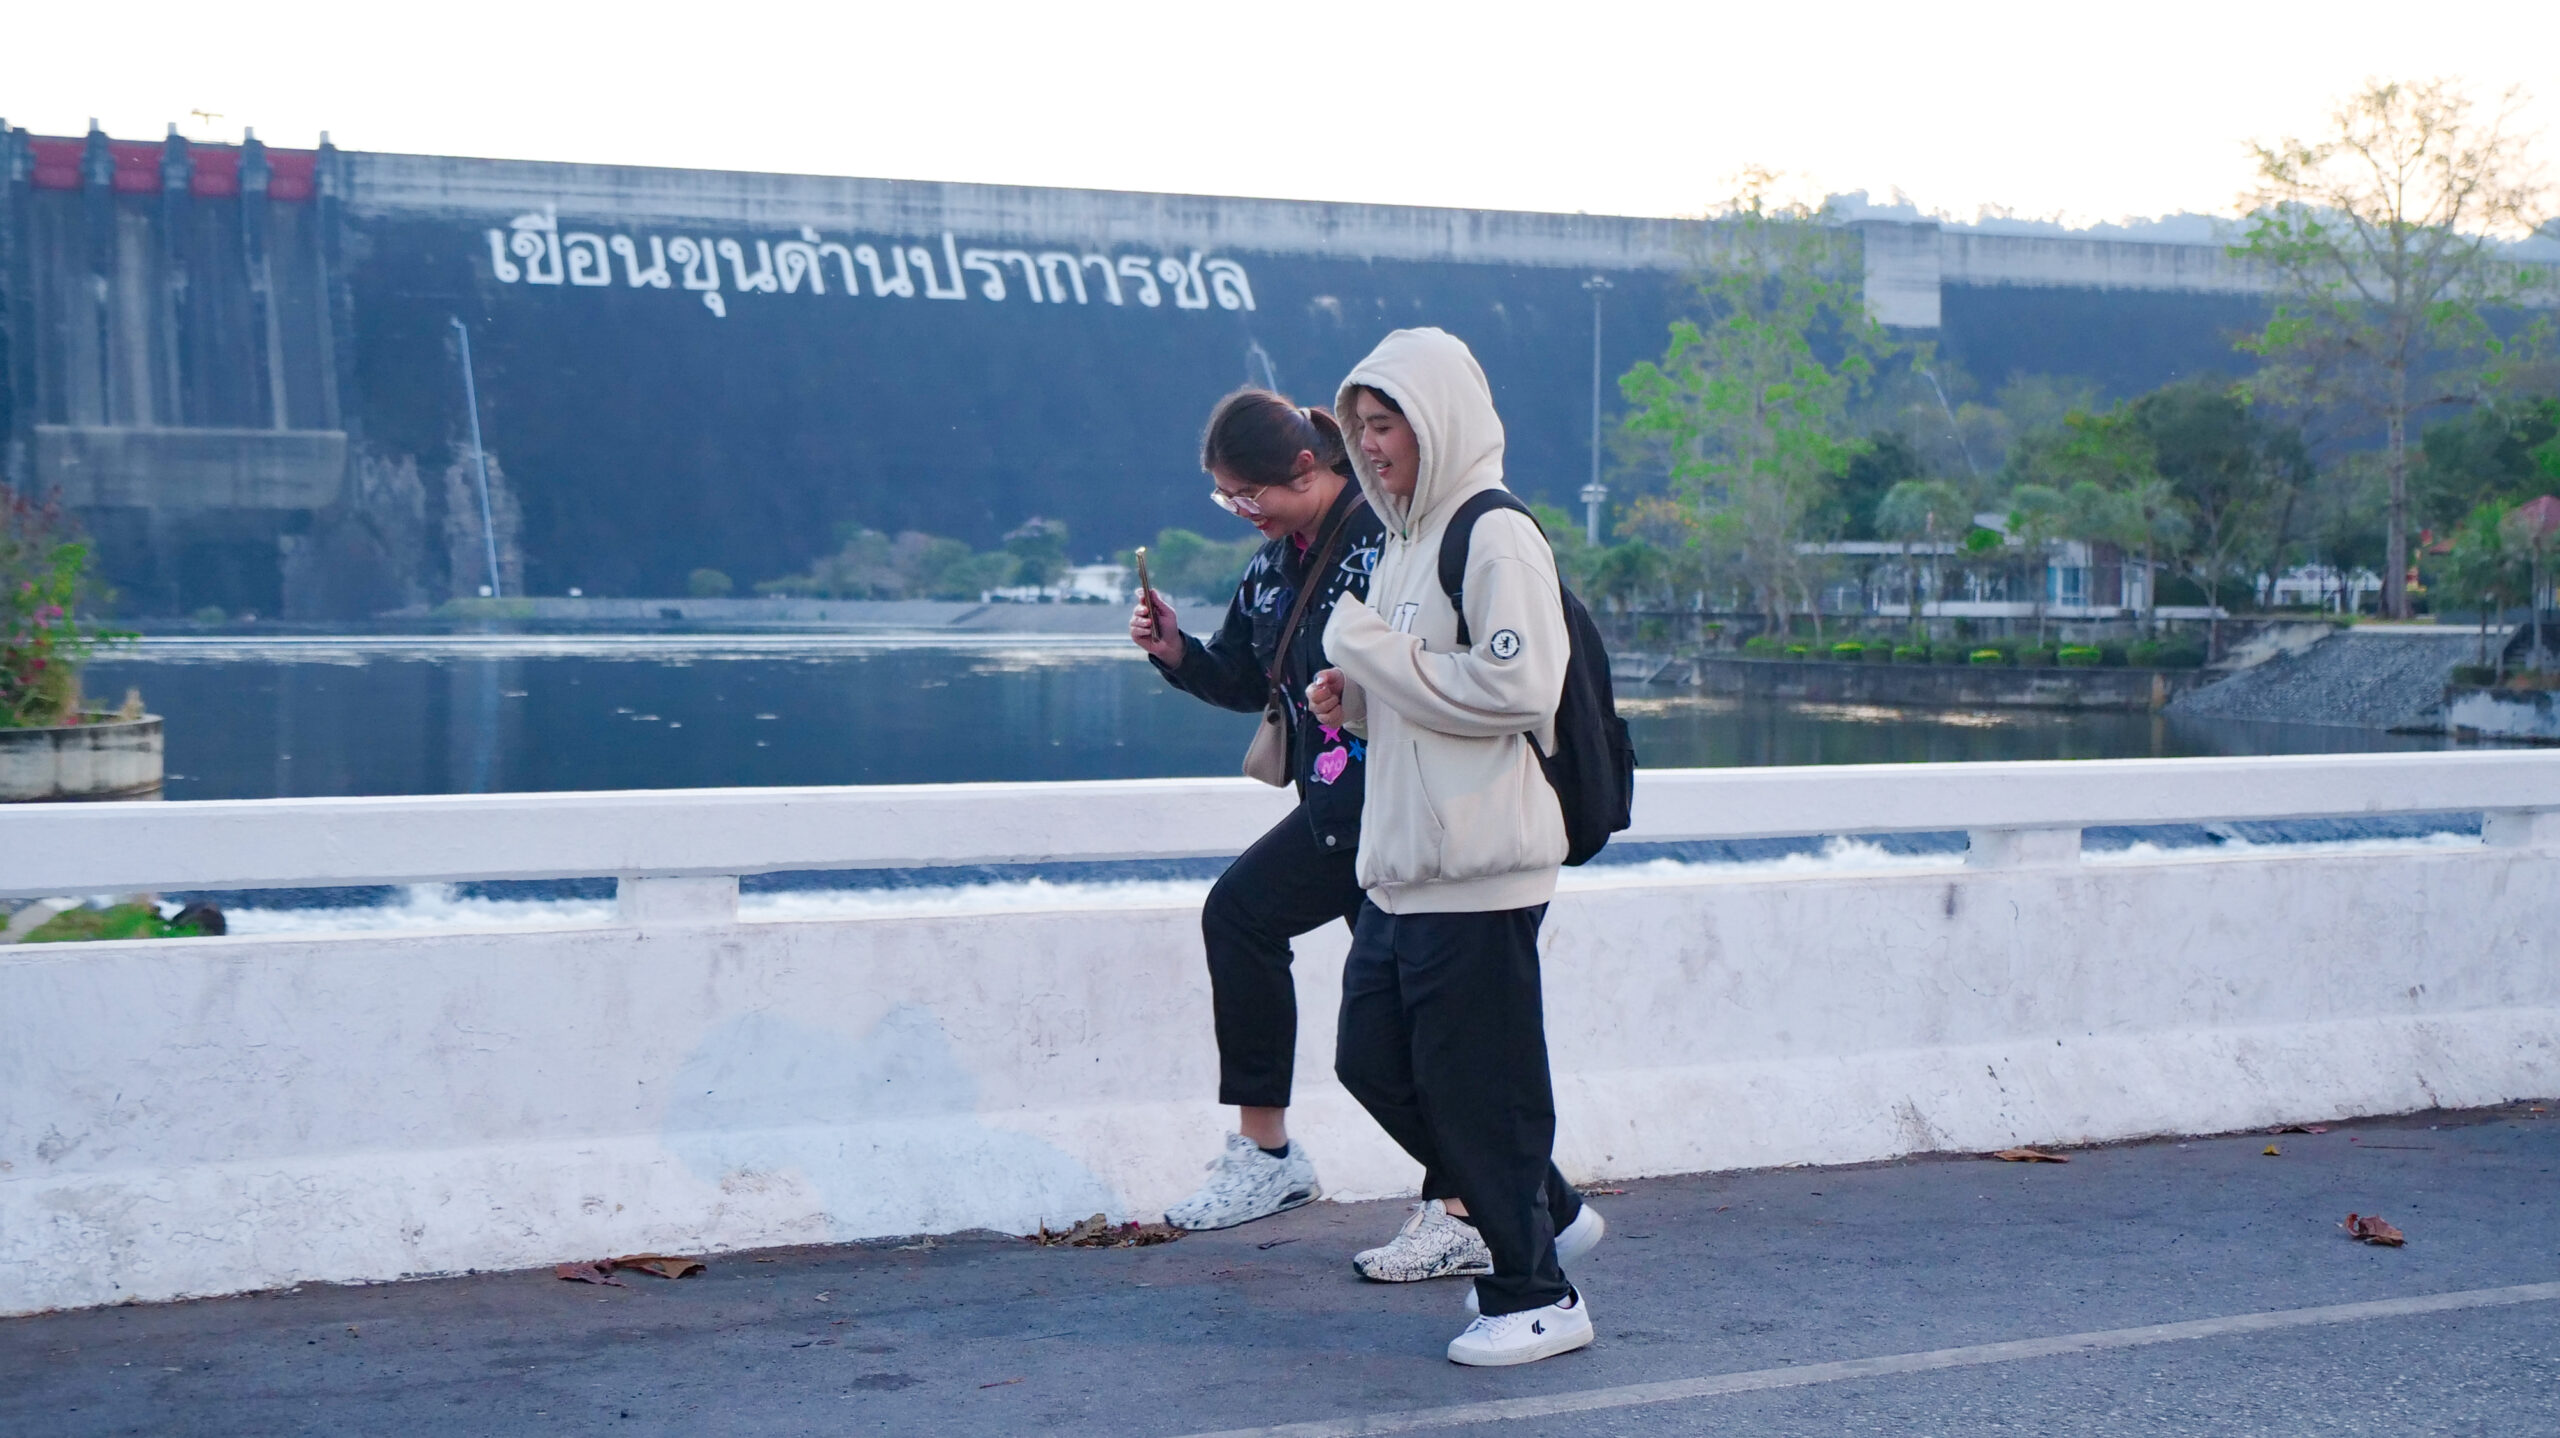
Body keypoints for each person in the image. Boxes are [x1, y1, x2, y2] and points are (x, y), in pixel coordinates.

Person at [1307, 327, 1601, 1366]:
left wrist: (1369, 649)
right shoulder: (1404, 540)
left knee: (1482, 1092)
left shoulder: (1494, 533)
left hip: (1479, 863)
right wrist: (1358, 699)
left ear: (1439, 421)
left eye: (1387, 423)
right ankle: (1545, 1203)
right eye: (1360, 425)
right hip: (1404, 868)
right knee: (1370, 1060)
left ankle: (1537, 1295)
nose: (1369, 444)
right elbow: (1431, 684)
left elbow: (1521, 686)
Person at [1131, 387, 1384, 1231]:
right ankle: (1268, 1154)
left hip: (1399, 808)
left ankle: (1472, 1198)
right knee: (1246, 921)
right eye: (1227, 499)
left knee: (1399, 1015)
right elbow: (1244, 681)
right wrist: (1176, 651)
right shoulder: (1273, 567)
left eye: (1250, 495)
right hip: (1331, 811)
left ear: (1306, 467)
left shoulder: (1386, 543)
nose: (1245, 513)